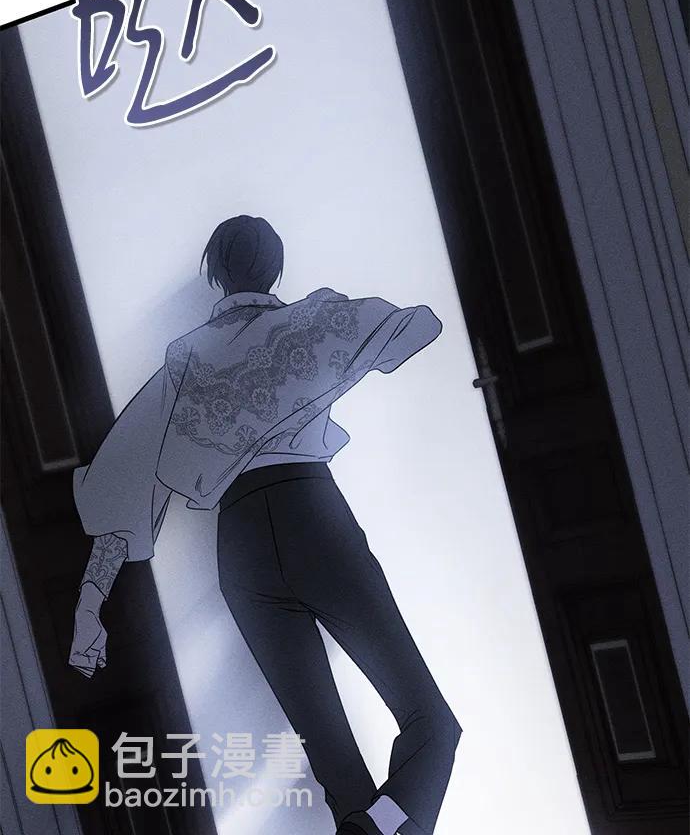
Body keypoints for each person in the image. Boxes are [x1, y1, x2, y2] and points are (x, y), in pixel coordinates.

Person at [70, 215, 461, 835]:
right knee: (432, 723)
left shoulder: (184, 360)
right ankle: (386, 825)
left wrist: (89, 606)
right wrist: (324, 363)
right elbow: (420, 326)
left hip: (242, 547)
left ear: (215, 275)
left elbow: (123, 481)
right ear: (276, 269)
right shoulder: (313, 322)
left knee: (339, 775)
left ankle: (373, 827)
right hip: (316, 522)